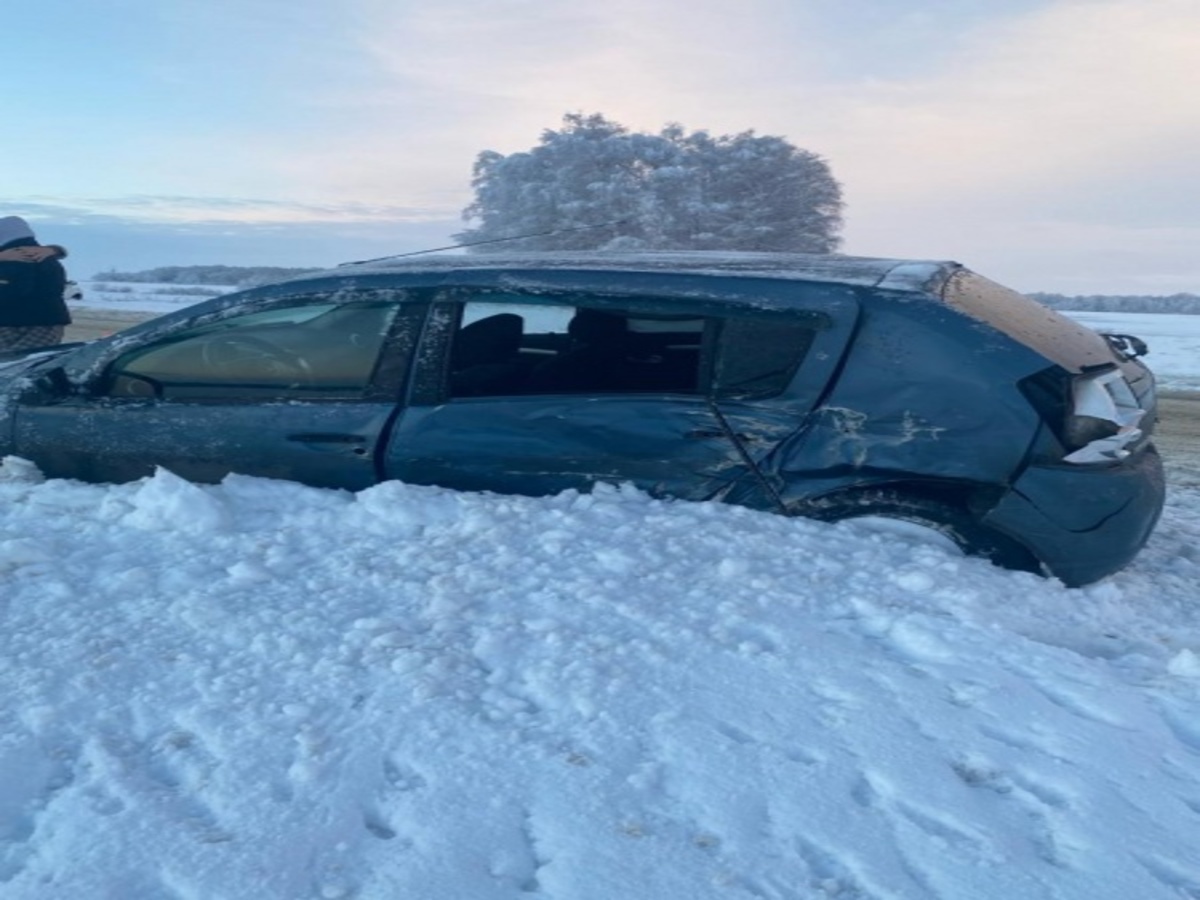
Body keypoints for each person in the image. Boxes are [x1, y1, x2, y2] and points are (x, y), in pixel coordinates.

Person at [0, 215, 73, 353]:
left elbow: (13, 291)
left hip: (12, 324)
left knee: (11, 367)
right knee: (35, 364)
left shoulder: (13, 258)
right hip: (49, 321)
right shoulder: (45, 256)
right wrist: (55, 249)